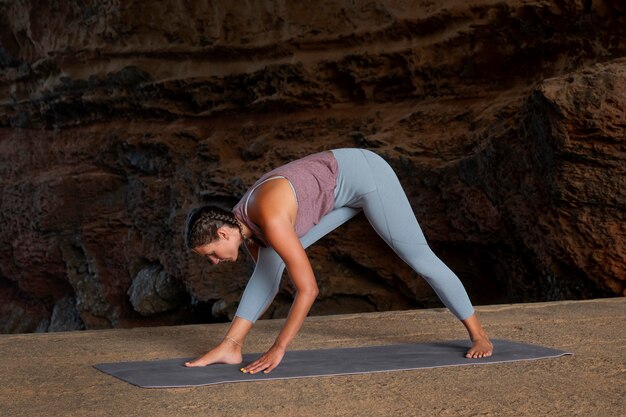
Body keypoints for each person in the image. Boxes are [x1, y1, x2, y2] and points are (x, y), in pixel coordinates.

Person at [184, 148, 493, 374]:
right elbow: (267, 280)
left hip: (367, 175)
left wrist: (278, 348)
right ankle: (231, 347)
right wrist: (234, 342)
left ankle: (479, 335)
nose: (213, 262)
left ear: (224, 234)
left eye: (211, 253)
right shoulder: (242, 222)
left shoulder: (269, 218)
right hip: (336, 192)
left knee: (420, 258)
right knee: (267, 268)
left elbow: (309, 290)